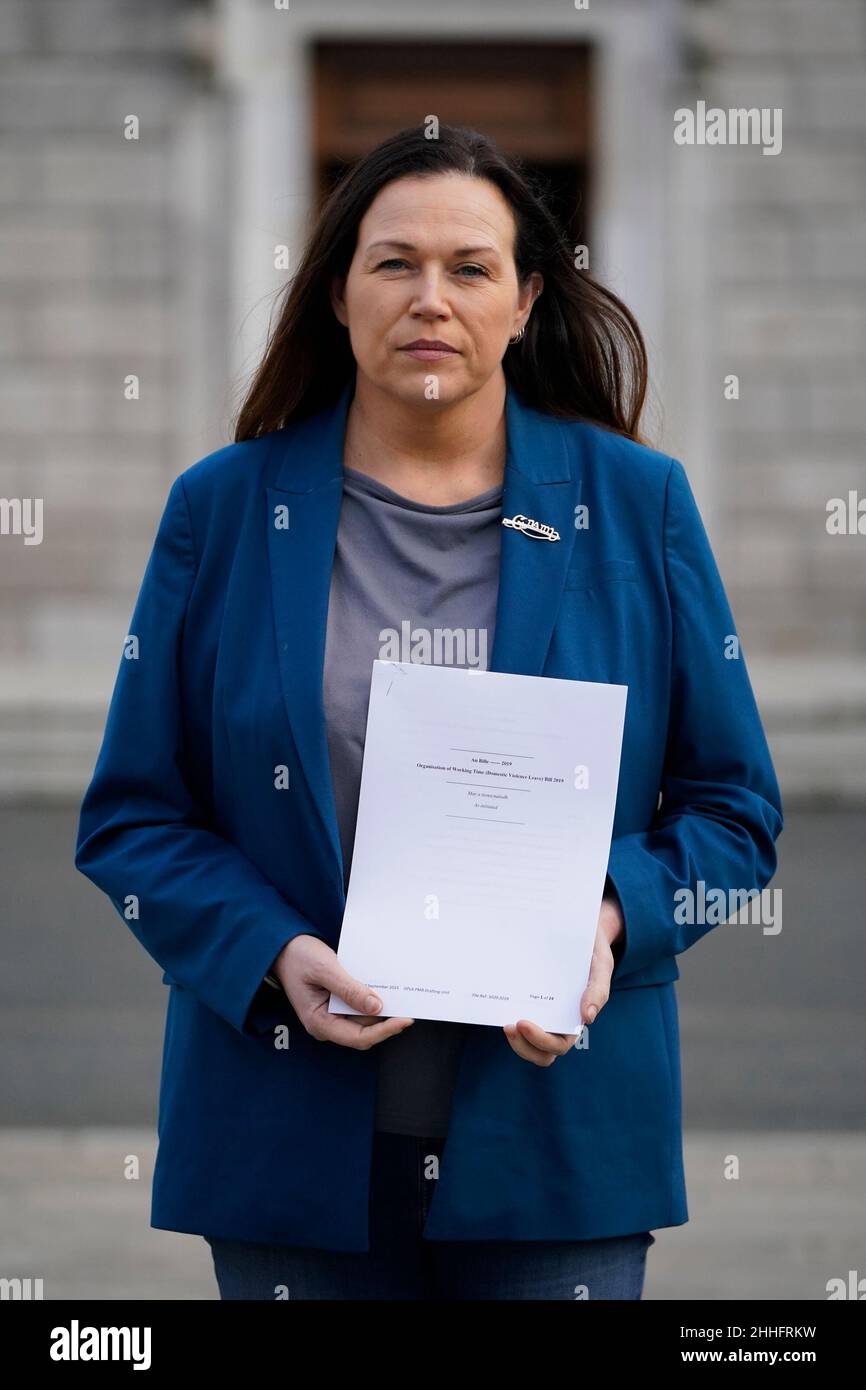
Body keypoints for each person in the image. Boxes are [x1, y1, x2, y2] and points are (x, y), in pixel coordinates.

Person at [74, 124, 783, 1300]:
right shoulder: (226, 507)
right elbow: (134, 816)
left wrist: (601, 923)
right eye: (392, 263)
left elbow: (732, 809)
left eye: (470, 268)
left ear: (524, 302)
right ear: (338, 295)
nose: (429, 299)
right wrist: (269, 955)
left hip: (559, 1143)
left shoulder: (636, 502)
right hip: (285, 1134)